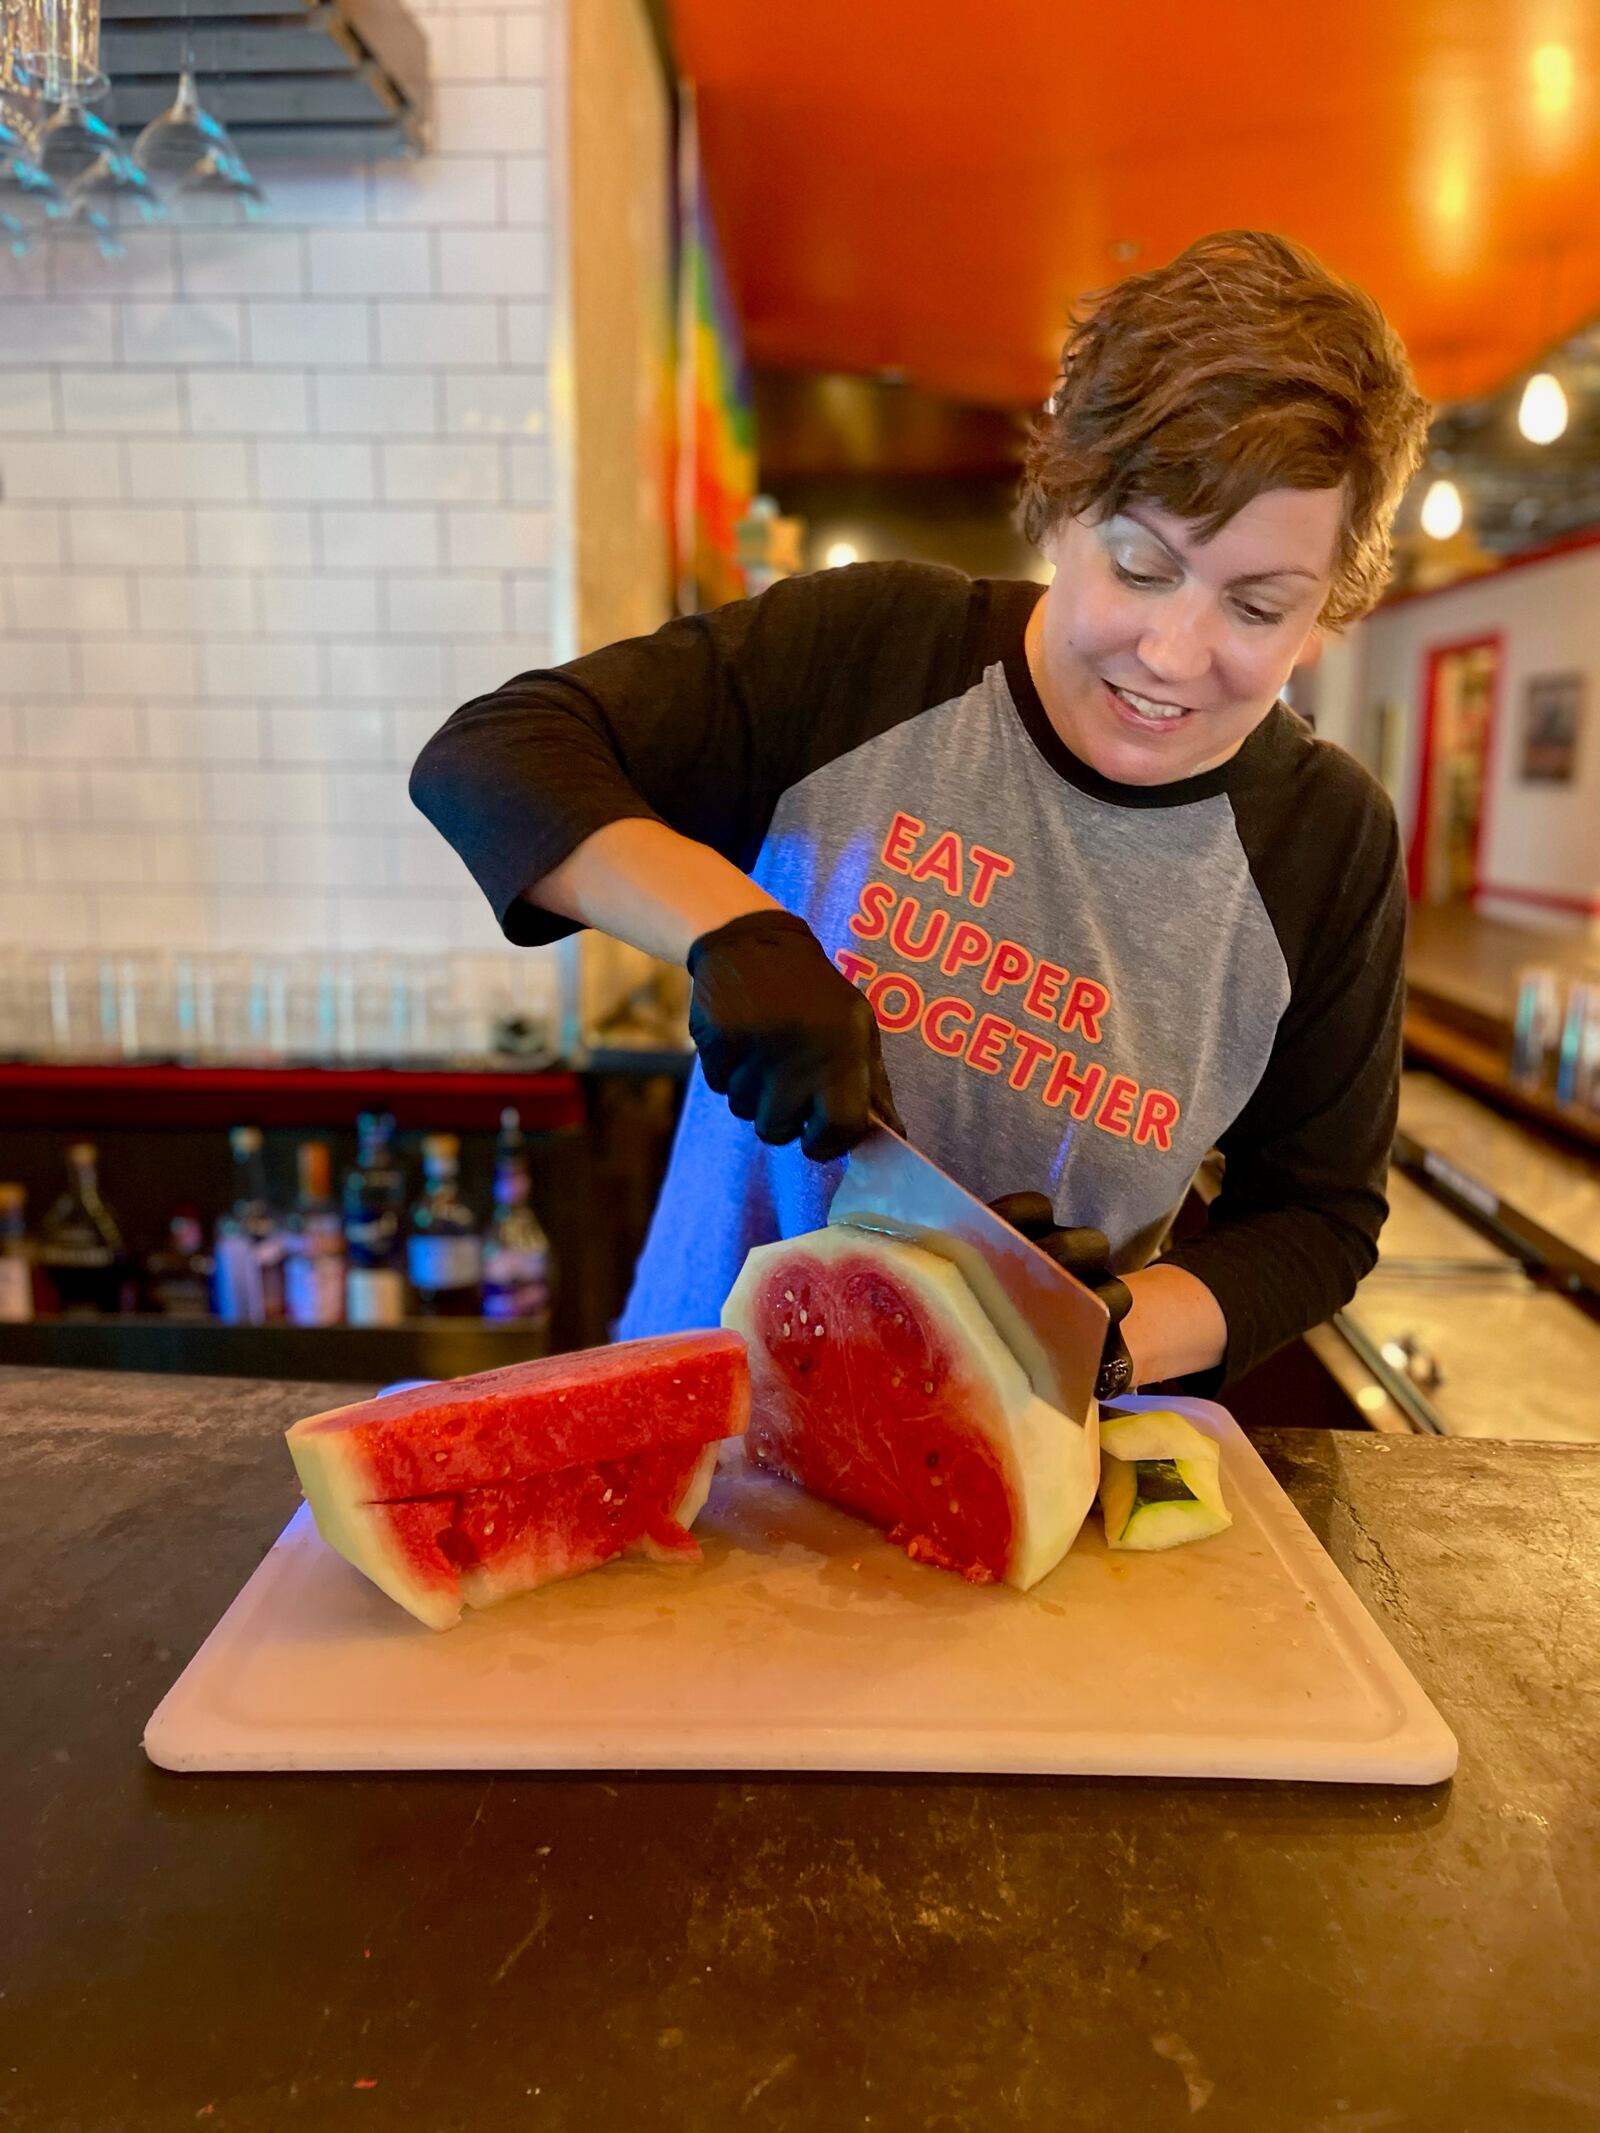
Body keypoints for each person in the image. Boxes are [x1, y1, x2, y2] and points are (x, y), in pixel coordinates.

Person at [411, 229, 1430, 1399]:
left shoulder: (1329, 841)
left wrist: (1102, 1329)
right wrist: (732, 931)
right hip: (698, 1414)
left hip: (1030, 1437)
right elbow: (491, 756)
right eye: (1142, 569)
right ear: (1058, 511)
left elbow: (1315, 1219)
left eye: (1256, 607)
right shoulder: (878, 651)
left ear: (1327, 612)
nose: (1173, 652)